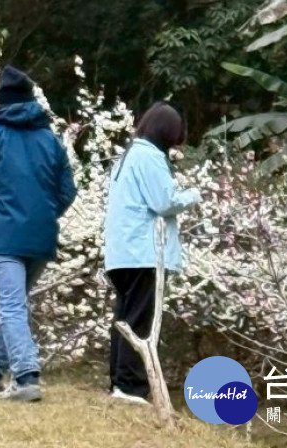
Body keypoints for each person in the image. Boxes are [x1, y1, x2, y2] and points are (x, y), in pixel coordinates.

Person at [0, 65, 77, 404]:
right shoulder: (50, 140)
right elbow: (68, 190)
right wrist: (46, 215)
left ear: (0, 102)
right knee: (14, 303)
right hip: (41, 237)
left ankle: (26, 377)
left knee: (10, 306)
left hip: (5, 236)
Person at [103, 101, 199, 405]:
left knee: (125, 319)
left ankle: (120, 384)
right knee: (139, 321)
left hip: (121, 253)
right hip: (143, 252)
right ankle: (131, 387)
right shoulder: (150, 157)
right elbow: (163, 201)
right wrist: (193, 195)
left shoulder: (128, 156)